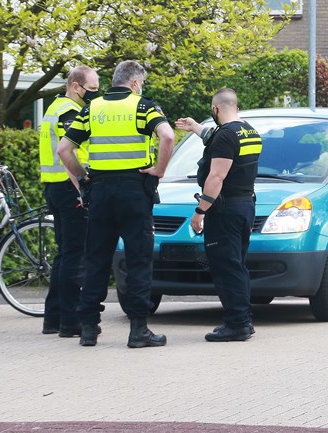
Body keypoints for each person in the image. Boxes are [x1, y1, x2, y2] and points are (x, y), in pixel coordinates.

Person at [56, 60, 175, 348]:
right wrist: (159, 171)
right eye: (141, 83)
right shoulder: (143, 106)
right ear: (135, 83)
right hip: (135, 191)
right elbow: (168, 136)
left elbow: (64, 149)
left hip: (100, 192)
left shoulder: (92, 108)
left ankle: (88, 328)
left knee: (96, 259)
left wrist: (84, 179)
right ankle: (138, 330)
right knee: (138, 259)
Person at [175, 88, 262, 342]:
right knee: (237, 264)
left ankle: (237, 325)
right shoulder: (249, 132)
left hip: (224, 210)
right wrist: (194, 127)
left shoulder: (225, 136)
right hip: (245, 206)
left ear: (215, 109)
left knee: (226, 266)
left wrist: (200, 210)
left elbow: (217, 176)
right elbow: (218, 139)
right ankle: (245, 319)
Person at [38, 65, 100, 337]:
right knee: (76, 256)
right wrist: (82, 186)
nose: (95, 94)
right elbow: (67, 153)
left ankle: (53, 318)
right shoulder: (69, 112)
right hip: (70, 187)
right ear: (76, 86)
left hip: (54, 188)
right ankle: (70, 321)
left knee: (65, 254)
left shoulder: (53, 108)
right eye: (93, 89)